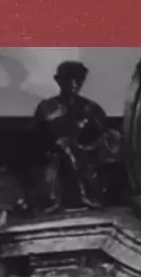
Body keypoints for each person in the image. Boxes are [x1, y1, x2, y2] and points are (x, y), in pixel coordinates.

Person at [31, 61, 109, 212]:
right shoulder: (46, 108)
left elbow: (103, 137)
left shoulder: (92, 109)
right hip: (52, 158)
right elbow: (34, 138)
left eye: (78, 79)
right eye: (68, 78)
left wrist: (82, 146)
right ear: (58, 80)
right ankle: (63, 197)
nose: (74, 83)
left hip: (84, 156)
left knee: (74, 152)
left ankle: (84, 195)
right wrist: (54, 144)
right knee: (60, 151)